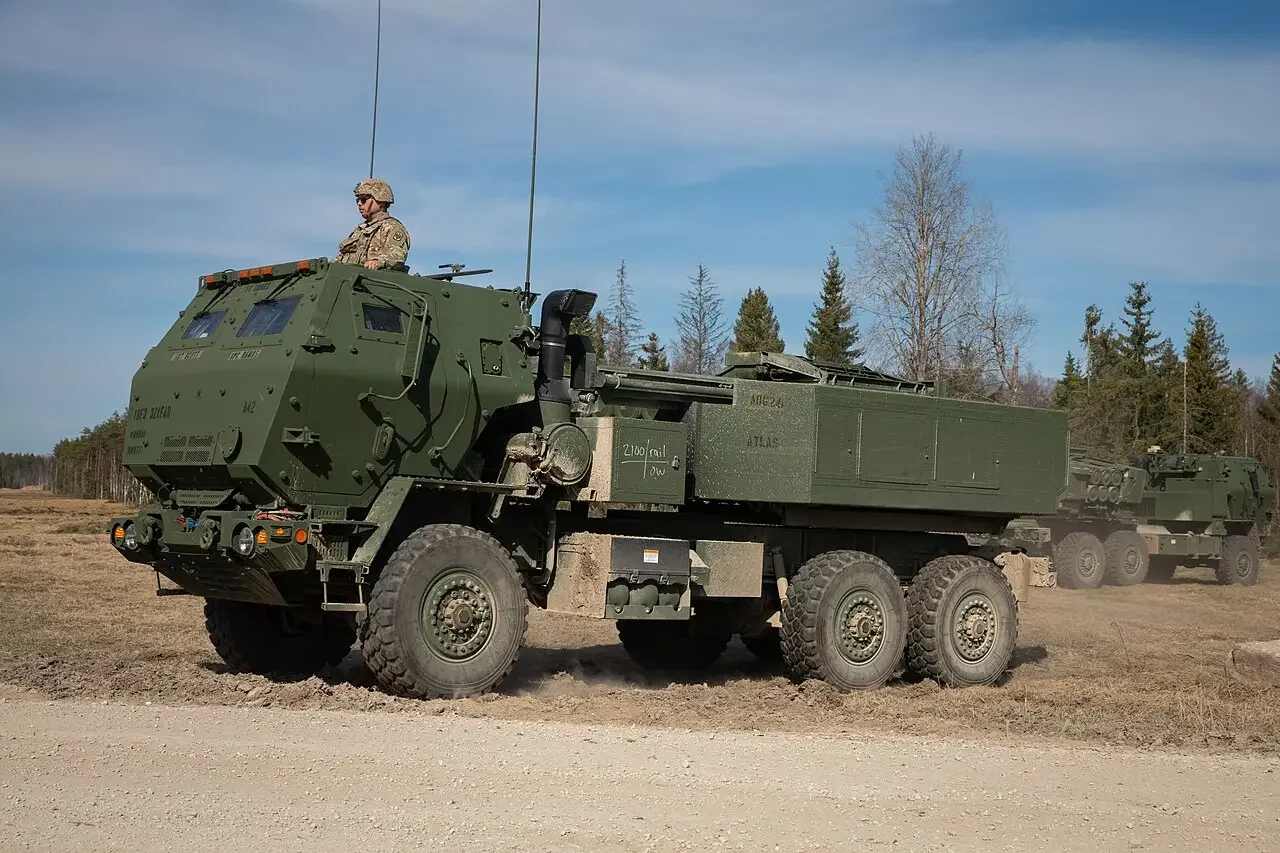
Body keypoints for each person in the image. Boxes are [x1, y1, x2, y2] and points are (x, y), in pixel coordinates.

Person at [335, 179, 412, 270]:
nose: (359, 204)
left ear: (381, 201)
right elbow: (340, 259)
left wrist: (378, 262)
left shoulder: (392, 228)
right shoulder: (359, 231)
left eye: (363, 200)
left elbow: (397, 255)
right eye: (358, 200)